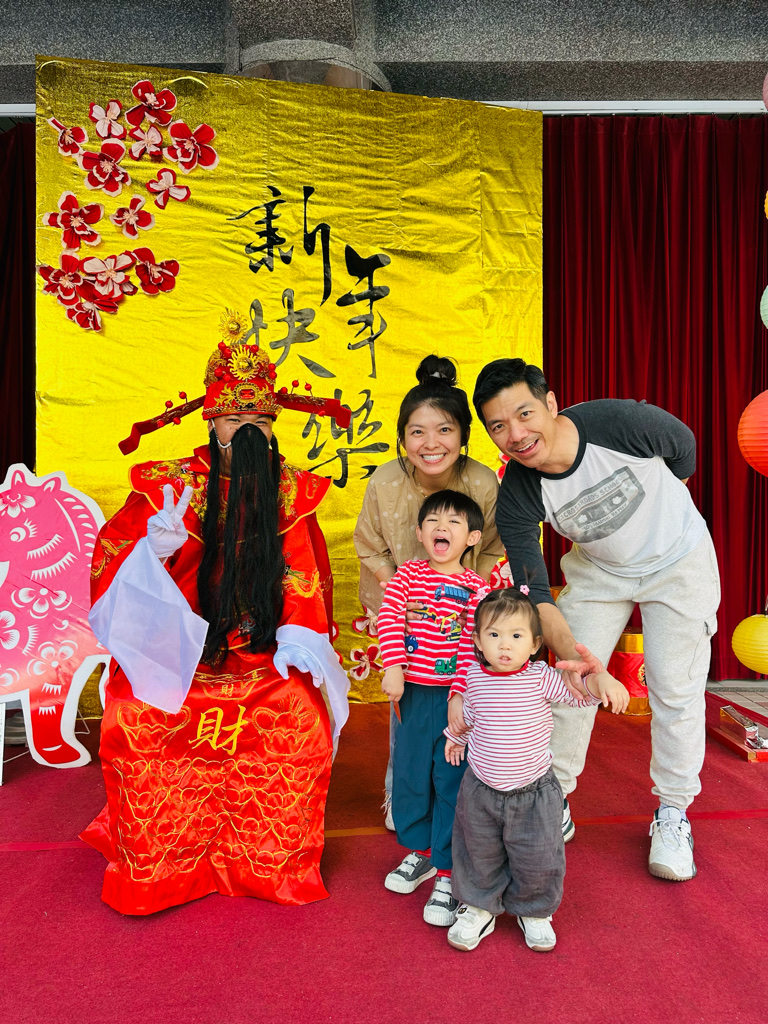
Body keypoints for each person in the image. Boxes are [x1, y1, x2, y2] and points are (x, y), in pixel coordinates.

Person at [82, 329, 350, 915]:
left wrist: (299, 638)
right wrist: (152, 554)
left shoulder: (290, 491)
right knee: (138, 715)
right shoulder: (171, 488)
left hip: (260, 651)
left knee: (296, 711)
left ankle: (266, 863)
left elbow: (304, 575)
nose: (248, 431)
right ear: (211, 422)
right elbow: (110, 578)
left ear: (275, 426)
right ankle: (161, 867)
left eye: (261, 420)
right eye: (234, 419)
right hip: (178, 652)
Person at [462, 357, 721, 883]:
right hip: (600, 571)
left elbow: (684, 448)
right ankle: (551, 798)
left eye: (525, 414)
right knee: (568, 686)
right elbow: (537, 596)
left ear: (551, 403)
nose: (516, 435)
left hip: (679, 559)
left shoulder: (618, 423)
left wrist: (662, 507)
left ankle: (673, 811)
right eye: (498, 426)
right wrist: (576, 659)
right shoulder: (519, 493)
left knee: (676, 688)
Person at [354, 355, 504, 828]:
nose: (431, 443)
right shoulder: (385, 480)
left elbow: (492, 546)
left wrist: (463, 588)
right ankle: (401, 791)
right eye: (417, 432)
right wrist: (402, 591)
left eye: (444, 430)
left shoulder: (481, 481)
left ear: (463, 435)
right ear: (402, 437)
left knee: (463, 698)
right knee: (408, 702)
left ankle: (461, 791)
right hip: (401, 608)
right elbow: (369, 545)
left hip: (460, 609)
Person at [444, 588, 627, 952]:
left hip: (533, 791)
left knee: (538, 855)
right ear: (477, 641)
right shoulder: (473, 678)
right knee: (477, 852)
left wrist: (602, 681)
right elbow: (470, 718)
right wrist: (455, 738)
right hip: (480, 789)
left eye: (516, 635)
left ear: (534, 644)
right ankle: (480, 906)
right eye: (494, 635)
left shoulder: (540, 676)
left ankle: (535, 910)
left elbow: (580, 691)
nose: (504, 645)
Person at [376, 490, 489, 928]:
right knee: (410, 776)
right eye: (434, 521)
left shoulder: (477, 588)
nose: (442, 527)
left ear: (472, 537)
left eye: (454, 522)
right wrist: (394, 666)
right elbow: (390, 618)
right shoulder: (407, 575)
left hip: (453, 701)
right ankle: (420, 852)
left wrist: (459, 694)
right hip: (412, 695)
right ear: (420, 533)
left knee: (449, 781)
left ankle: (446, 870)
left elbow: (471, 646)